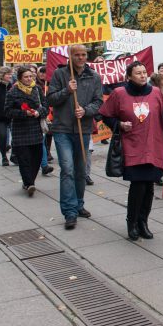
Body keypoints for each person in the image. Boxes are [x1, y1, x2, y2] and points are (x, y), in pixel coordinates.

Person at [100, 61, 163, 240]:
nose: (143, 76)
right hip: (132, 146)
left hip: (153, 146)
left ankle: (143, 222)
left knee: (149, 186)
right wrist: (118, 124)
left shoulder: (156, 92)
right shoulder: (119, 93)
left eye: (144, 72)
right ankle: (132, 222)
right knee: (138, 185)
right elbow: (105, 114)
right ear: (129, 76)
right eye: (138, 73)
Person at [47, 44, 103, 230]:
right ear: (70, 56)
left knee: (80, 170)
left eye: (83, 54)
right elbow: (51, 99)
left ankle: (79, 204)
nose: (80, 58)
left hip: (82, 129)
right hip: (62, 129)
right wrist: (67, 91)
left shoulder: (94, 77)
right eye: (77, 55)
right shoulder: (60, 75)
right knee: (68, 169)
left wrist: (86, 111)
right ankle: (69, 211)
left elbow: (98, 102)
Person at [4, 66, 47, 196]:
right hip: (20, 130)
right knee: (24, 159)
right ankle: (29, 183)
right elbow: (7, 111)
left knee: (36, 157)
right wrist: (24, 113)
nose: (29, 79)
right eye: (26, 77)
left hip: (35, 129)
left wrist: (38, 112)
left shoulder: (37, 89)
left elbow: (46, 107)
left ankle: (30, 180)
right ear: (20, 78)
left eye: (30, 76)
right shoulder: (13, 92)